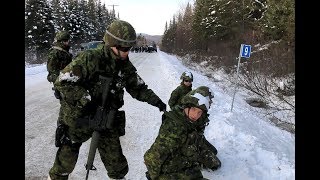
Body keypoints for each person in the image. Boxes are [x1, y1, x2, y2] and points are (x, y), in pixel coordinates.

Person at [47, 20, 167, 180]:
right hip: (80, 117)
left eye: (129, 48)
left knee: (116, 163)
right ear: (111, 43)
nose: (127, 53)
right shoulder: (90, 58)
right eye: (123, 48)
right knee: (65, 161)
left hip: (105, 117)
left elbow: (137, 87)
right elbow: (63, 81)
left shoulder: (124, 65)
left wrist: (157, 102)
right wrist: (85, 100)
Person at [144, 86, 221, 180]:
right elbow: (152, 157)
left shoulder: (196, 121)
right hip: (175, 168)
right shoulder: (175, 127)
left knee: (215, 161)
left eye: (199, 112)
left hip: (188, 154)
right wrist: (154, 176)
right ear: (186, 106)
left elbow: (197, 140)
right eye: (193, 109)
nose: (195, 115)